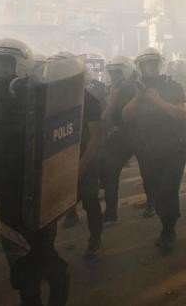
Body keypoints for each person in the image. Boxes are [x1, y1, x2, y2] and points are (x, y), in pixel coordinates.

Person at [0, 39, 70, 305]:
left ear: (23, 66)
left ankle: (59, 291)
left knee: (43, 255)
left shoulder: (38, 98)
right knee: (20, 263)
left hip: (38, 194)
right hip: (9, 197)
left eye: (6, 63)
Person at [122, 47, 186, 253]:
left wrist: (157, 100)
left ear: (159, 65)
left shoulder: (173, 86)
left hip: (173, 148)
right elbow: (125, 116)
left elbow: (183, 113)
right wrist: (138, 97)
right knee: (154, 191)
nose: (148, 68)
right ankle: (166, 222)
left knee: (168, 189)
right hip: (147, 149)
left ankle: (169, 230)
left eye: (152, 64)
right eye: (145, 65)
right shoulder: (137, 88)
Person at [50, 52, 105, 261]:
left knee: (90, 201)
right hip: (59, 164)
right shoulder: (49, 100)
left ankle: (96, 239)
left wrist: (81, 165)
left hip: (84, 160)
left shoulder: (88, 100)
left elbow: (97, 136)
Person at [100, 56, 138, 223]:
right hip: (121, 135)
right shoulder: (115, 87)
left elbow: (115, 115)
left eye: (117, 72)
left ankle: (111, 213)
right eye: (112, 72)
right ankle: (110, 212)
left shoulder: (126, 89)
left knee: (111, 173)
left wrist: (112, 102)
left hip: (128, 134)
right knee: (110, 173)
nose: (114, 75)